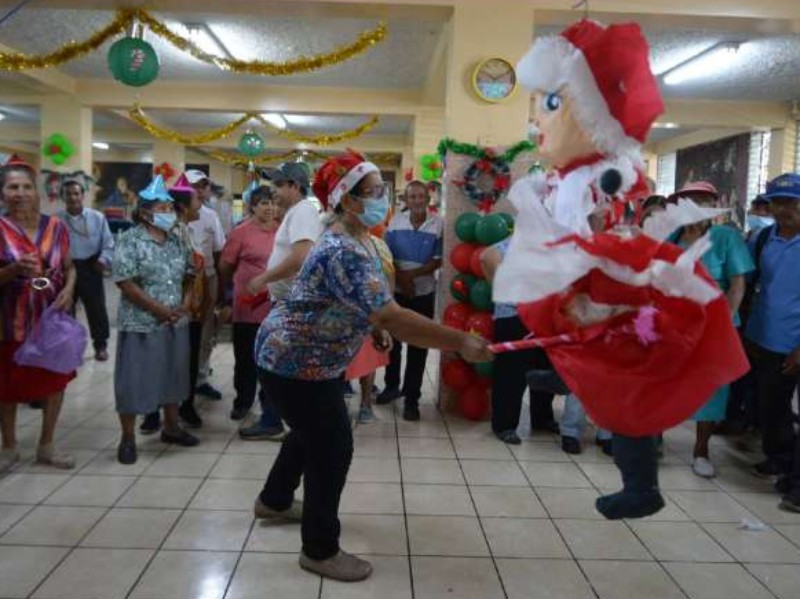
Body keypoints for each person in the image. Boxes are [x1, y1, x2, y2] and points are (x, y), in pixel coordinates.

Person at [494, 19, 747, 520]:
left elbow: (600, 217)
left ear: (590, 118)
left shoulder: (600, 172)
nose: (536, 121)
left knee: (624, 388)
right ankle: (570, 381)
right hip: (594, 280)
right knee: (586, 351)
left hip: (615, 281)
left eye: (550, 104)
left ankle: (640, 485)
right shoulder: (569, 176)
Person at [252, 151, 491, 582]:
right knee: (332, 446)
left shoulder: (360, 236)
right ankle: (319, 550)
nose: (385, 197)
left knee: (310, 431)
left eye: (385, 189)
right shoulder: (343, 248)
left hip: (308, 358)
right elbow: (393, 315)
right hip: (295, 361)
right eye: (375, 191)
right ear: (347, 200)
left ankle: (275, 499)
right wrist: (459, 341)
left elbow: (362, 303)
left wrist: (371, 325)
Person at [668, 181, 754, 478]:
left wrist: (723, 323)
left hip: (713, 326)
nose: (695, 206)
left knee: (711, 388)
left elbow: (737, 286)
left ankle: (701, 450)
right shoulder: (670, 238)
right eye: (689, 200)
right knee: (665, 380)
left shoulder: (725, 238)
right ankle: (653, 439)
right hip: (673, 325)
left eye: (702, 200)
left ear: (714, 206)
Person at [112, 175, 199, 465]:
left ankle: (171, 428)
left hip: (174, 321)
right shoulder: (130, 240)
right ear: (146, 212)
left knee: (173, 374)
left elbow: (190, 275)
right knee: (133, 379)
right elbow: (125, 282)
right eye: (162, 209)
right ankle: (127, 438)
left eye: (170, 208)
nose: (169, 213)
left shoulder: (177, 241)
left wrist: (186, 302)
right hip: (141, 322)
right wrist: (158, 309)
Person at [0, 155, 77, 472]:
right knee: (7, 386)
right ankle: (8, 446)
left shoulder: (56, 227)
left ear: (36, 191)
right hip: (10, 322)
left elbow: (70, 267)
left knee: (54, 383)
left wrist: (69, 289)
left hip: (51, 322)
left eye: (26, 187)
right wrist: (14, 269)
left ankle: (47, 445)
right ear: (3, 193)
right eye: (12, 187)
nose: (20, 193)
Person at [743, 173, 800, 512]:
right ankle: (781, 460)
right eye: (777, 203)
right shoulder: (763, 238)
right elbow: (748, 282)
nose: (783, 209)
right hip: (765, 339)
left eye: (791, 202)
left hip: (796, 343)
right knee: (771, 408)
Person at [219, 185, 285, 438]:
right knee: (245, 357)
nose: (270, 208)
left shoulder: (282, 231)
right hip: (246, 306)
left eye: (273, 203)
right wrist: (229, 296)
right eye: (264, 203)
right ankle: (243, 400)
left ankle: (270, 404)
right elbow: (226, 267)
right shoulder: (241, 233)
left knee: (271, 360)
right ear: (252, 207)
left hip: (274, 307)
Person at [377, 180, 444, 421]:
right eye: (412, 196)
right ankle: (391, 386)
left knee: (419, 346)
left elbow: (438, 260)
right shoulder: (395, 222)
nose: (417, 201)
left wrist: (411, 277)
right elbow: (385, 255)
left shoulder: (438, 224)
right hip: (396, 292)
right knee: (393, 343)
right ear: (406, 200)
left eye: (420, 196)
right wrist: (402, 278)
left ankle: (412, 399)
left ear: (428, 199)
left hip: (423, 293)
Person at [481, 237, 558, 445]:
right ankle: (504, 425)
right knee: (511, 374)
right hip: (513, 316)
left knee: (544, 366)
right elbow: (487, 257)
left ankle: (542, 417)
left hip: (545, 318)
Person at [58, 174, 114, 362]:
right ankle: (68, 347)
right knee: (65, 309)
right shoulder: (56, 220)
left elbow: (109, 243)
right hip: (65, 270)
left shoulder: (97, 218)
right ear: (63, 197)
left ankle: (100, 346)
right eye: (68, 194)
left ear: (82, 196)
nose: (72, 197)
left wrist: (103, 260)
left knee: (96, 309)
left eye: (76, 193)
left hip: (91, 267)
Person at [184, 169, 226, 401]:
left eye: (203, 185)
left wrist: (219, 286)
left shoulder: (211, 216)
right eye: (195, 186)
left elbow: (219, 251)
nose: (200, 190)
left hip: (207, 277)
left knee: (206, 330)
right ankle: (181, 380)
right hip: (182, 280)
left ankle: (200, 378)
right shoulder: (173, 214)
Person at [345, 232, 395, 424]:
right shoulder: (334, 242)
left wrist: (387, 310)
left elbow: (389, 276)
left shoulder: (378, 245)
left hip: (371, 311)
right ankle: (338, 404)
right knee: (339, 361)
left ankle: (365, 406)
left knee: (369, 356)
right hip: (341, 314)